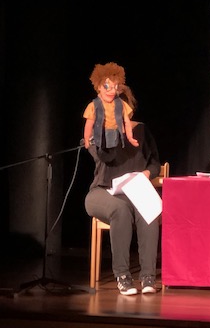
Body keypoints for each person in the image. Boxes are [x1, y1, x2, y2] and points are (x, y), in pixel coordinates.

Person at [84, 83, 161, 295]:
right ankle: (123, 276)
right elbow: (103, 157)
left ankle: (148, 277)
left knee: (149, 210)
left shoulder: (142, 131)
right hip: (102, 192)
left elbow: (155, 163)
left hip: (133, 191)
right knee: (120, 210)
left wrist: (146, 174)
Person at [83, 62, 138, 151]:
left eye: (115, 87)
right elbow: (89, 124)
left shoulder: (121, 104)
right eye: (107, 86)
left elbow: (127, 122)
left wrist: (130, 137)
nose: (112, 91)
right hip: (101, 137)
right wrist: (86, 139)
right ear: (99, 87)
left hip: (117, 138)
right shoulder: (93, 106)